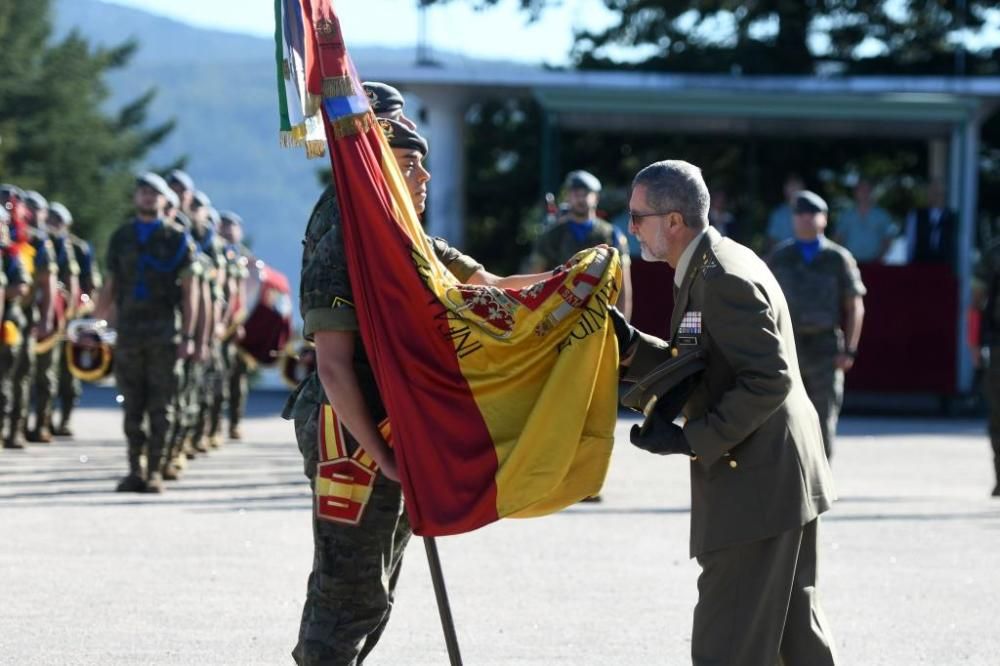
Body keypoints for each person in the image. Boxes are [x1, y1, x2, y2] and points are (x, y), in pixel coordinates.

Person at [283, 84, 556, 665]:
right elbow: (332, 365)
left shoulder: (402, 236)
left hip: (393, 426)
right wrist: (381, 455)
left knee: (372, 591)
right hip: (350, 435)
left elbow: (492, 290)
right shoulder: (347, 230)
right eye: (408, 162)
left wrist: (576, 283)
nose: (425, 176)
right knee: (349, 592)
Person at [621, 160, 837, 665]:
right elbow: (701, 358)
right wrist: (631, 350)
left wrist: (695, 438)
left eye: (637, 216)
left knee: (729, 643)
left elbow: (769, 377)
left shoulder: (720, 277)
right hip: (778, 479)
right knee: (794, 641)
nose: (630, 227)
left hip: (758, 486)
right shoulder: (707, 263)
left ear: (674, 221)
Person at [95, 172, 198, 493]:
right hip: (128, 332)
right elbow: (111, 285)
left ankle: (155, 470)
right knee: (132, 405)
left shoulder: (177, 239)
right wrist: (96, 324)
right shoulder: (122, 236)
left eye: (154, 193)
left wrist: (191, 336)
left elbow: (190, 291)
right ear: (135, 198)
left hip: (164, 333)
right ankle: (134, 470)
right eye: (142, 192)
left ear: (166, 200)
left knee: (161, 405)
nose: (148, 197)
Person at [768, 191, 866, 459]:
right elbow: (763, 303)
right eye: (800, 214)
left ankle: (818, 487)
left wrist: (851, 349)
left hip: (825, 348)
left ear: (824, 219)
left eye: (812, 213)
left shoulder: (838, 258)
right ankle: (789, 486)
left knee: (823, 420)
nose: (806, 219)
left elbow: (854, 305)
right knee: (784, 417)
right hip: (789, 348)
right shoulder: (780, 257)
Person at [525, 170, 633, 319]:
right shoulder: (552, 235)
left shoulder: (612, 235)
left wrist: (622, 326)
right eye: (576, 193)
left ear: (596, 197)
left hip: (598, 317)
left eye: (586, 194)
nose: (581, 199)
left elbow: (622, 286)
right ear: (568, 196)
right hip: (558, 315)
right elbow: (534, 277)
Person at [29, 200, 79, 443]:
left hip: (60, 316)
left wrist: (66, 318)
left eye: (57, 221)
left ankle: (46, 422)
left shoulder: (71, 248)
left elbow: (76, 284)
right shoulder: (29, 240)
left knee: (52, 374)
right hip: (32, 312)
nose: (52, 224)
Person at [51, 202, 101, 437]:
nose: (53, 225)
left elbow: (91, 284)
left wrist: (82, 309)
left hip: (73, 317)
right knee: (47, 371)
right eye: (49, 220)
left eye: (57, 221)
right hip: (49, 316)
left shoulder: (79, 249)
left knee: (70, 371)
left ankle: (66, 418)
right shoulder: (42, 243)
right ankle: (45, 419)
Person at [11, 191, 56, 448]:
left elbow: (48, 285)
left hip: (25, 316)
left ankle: (18, 428)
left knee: (22, 372)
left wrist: (46, 320)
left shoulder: (38, 242)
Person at [215, 210, 250, 442]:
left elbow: (247, 295)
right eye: (223, 225)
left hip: (237, 326)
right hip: (217, 324)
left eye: (232, 226)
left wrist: (241, 322)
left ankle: (235, 423)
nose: (227, 229)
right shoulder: (216, 253)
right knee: (216, 377)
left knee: (237, 378)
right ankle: (214, 425)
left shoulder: (246, 258)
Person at [971, 239, 1000, 497]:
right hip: (998, 344)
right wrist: (974, 343)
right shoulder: (994, 253)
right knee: (997, 414)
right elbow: (977, 301)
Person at [834, 179, 895, 263]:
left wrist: (880, 258)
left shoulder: (883, 216)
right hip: (849, 263)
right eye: (861, 189)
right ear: (855, 192)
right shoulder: (846, 216)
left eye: (867, 190)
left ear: (872, 192)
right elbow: (838, 239)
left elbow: (888, 240)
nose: (864, 193)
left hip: (875, 264)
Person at [905, 180, 957, 267]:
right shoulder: (916, 215)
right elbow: (910, 243)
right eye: (933, 192)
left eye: (939, 192)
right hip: (920, 266)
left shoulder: (952, 218)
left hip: (944, 268)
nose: (936, 195)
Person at [765, 173, 804, 251]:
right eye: (790, 185)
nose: (793, 189)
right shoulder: (778, 214)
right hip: (783, 257)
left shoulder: (811, 212)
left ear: (802, 187)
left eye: (796, 185)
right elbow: (771, 240)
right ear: (784, 189)